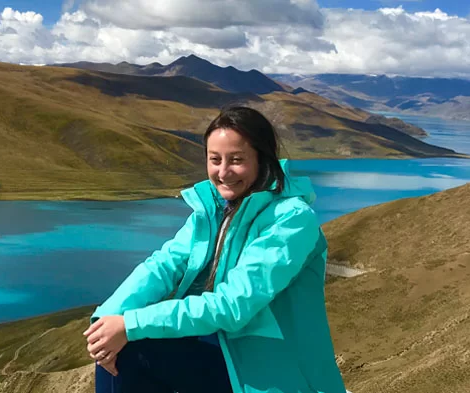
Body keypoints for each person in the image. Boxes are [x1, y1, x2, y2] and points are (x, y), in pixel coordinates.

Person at [83, 106, 347, 393]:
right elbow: (164, 265)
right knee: (117, 348)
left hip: (273, 371)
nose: (223, 172)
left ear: (263, 158)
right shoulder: (214, 210)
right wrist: (107, 319)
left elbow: (233, 306)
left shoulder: (291, 220)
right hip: (225, 350)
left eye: (236, 160)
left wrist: (130, 324)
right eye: (215, 160)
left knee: (132, 351)